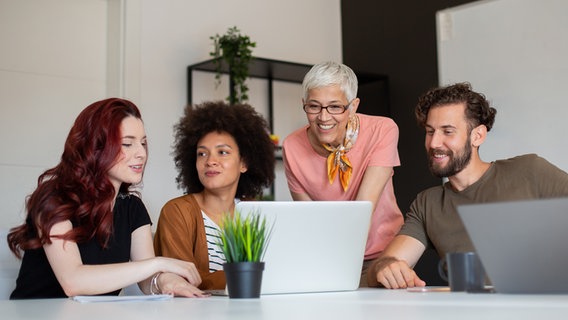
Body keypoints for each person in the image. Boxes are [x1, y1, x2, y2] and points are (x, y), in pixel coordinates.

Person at [367, 82, 568, 289]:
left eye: (447, 131)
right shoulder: (428, 203)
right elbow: (383, 265)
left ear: (477, 136)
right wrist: (387, 268)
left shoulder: (529, 171)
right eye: (430, 131)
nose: (434, 142)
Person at [7, 98, 207, 299]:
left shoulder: (132, 207)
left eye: (143, 143)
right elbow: (73, 281)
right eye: (127, 144)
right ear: (95, 147)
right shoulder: (53, 200)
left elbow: (147, 280)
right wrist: (159, 262)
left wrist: (166, 281)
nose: (141, 153)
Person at [282, 61, 404, 287]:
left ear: (353, 106)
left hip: (383, 255)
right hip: (329, 257)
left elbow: (364, 210)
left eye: (335, 107)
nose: (324, 117)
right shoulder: (291, 146)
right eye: (314, 106)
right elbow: (309, 220)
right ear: (304, 104)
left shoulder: (383, 130)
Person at [153, 101, 275, 290]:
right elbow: (182, 280)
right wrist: (245, 277)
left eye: (222, 152)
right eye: (202, 154)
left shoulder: (254, 214)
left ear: (244, 163)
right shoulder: (177, 212)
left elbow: (276, 272)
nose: (210, 161)